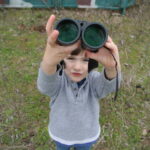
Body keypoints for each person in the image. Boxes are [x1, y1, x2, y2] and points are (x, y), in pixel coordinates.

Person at [37, 15, 121, 150]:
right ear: (61, 59)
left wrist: (112, 67)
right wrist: (48, 62)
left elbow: (107, 87)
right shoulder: (58, 81)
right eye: (71, 58)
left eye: (85, 60)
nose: (77, 67)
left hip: (87, 137)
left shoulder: (94, 80)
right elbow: (45, 86)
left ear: (92, 62)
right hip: (61, 136)